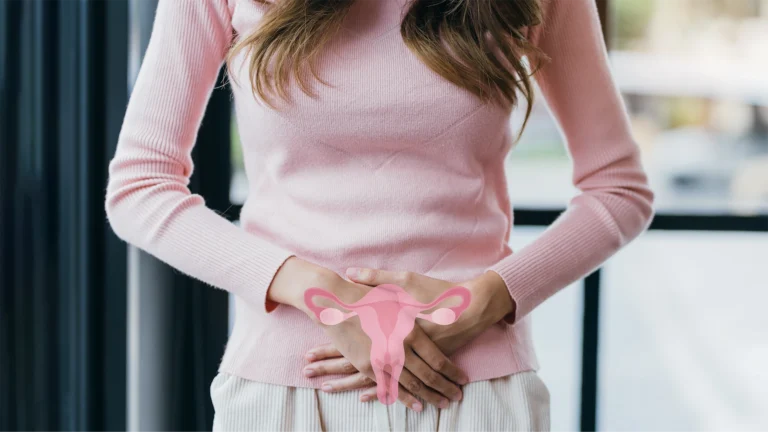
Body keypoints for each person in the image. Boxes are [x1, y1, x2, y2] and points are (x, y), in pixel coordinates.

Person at [105, 0, 655, 430]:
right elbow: (141, 186)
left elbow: (619, 190)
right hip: (285, 393)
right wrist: (325, 297)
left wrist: (482, 301)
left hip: (474, 387)